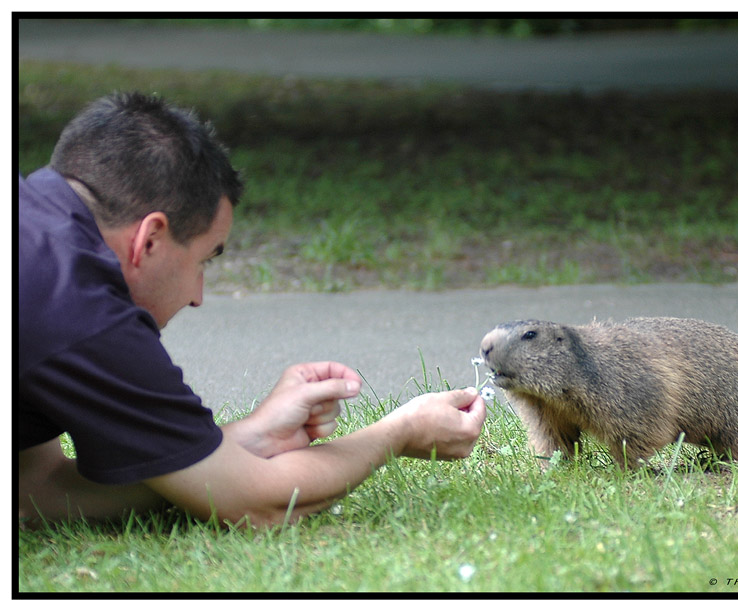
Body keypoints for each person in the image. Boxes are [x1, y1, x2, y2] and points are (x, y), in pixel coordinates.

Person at [18, 92, 486, 527]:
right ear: (151, 239)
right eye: (203, 260)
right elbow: (255, 502)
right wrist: (399, 432)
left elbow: (34, 492)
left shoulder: (35, 226)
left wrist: (249, 437)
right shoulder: (79, 307)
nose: (198, 295)